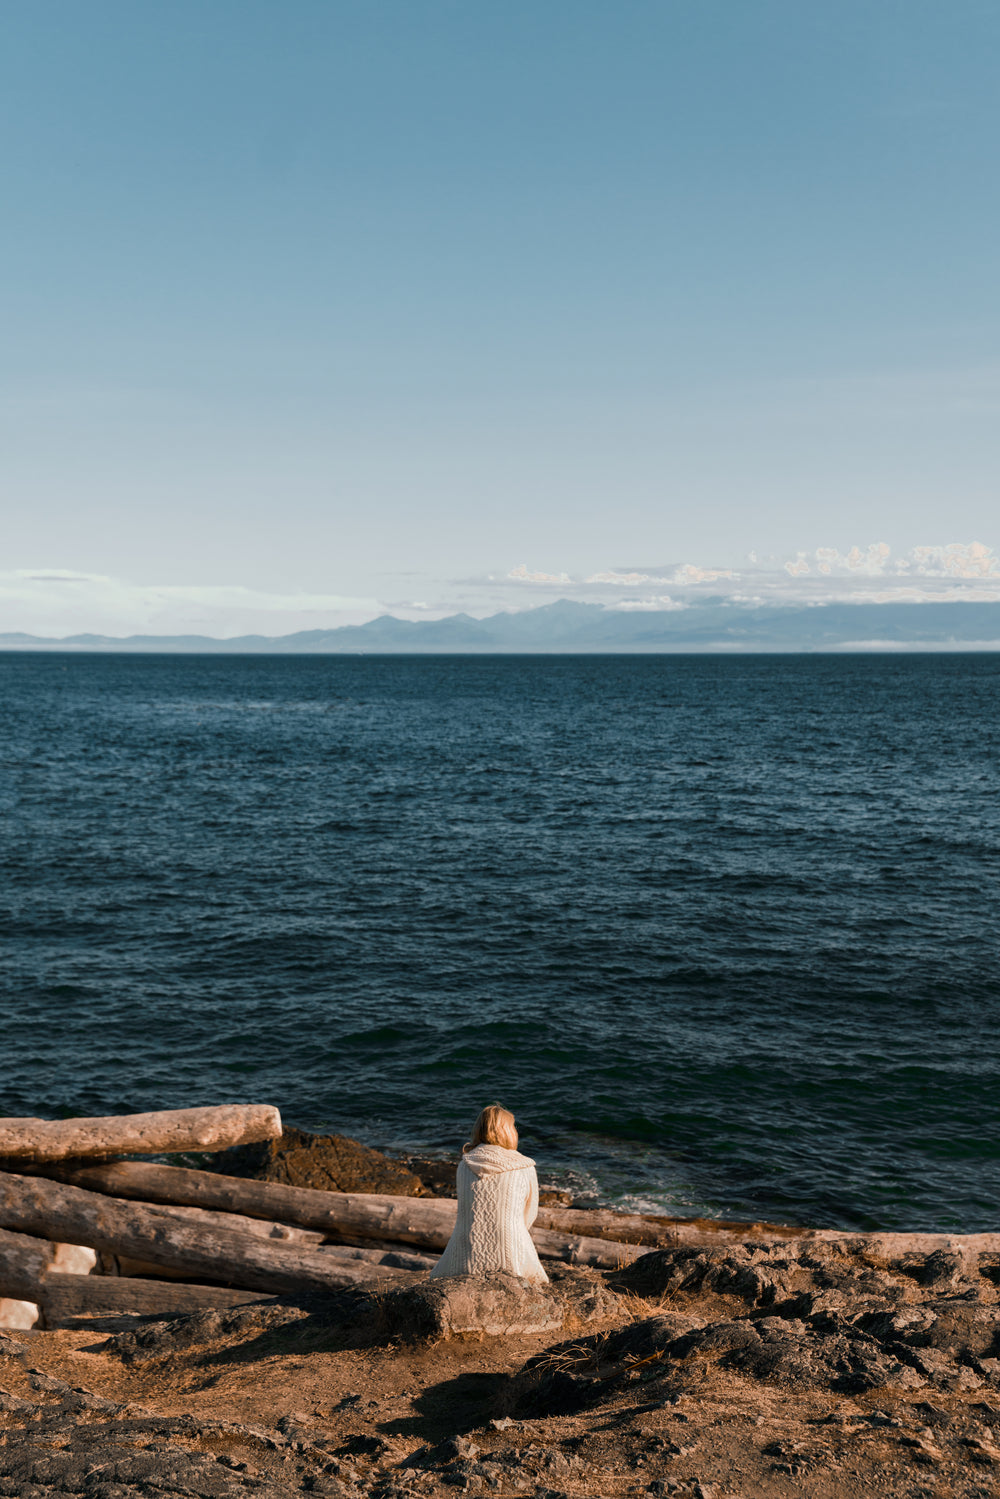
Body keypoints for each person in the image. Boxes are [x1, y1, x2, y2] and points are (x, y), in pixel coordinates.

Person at [429, 1104, 548, 1284]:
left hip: (465, 1253)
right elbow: (530, 1215)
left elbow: (465, 1210)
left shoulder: (465, 1165)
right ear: (508, 1131)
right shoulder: (524, 1166)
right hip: (511, 1251)